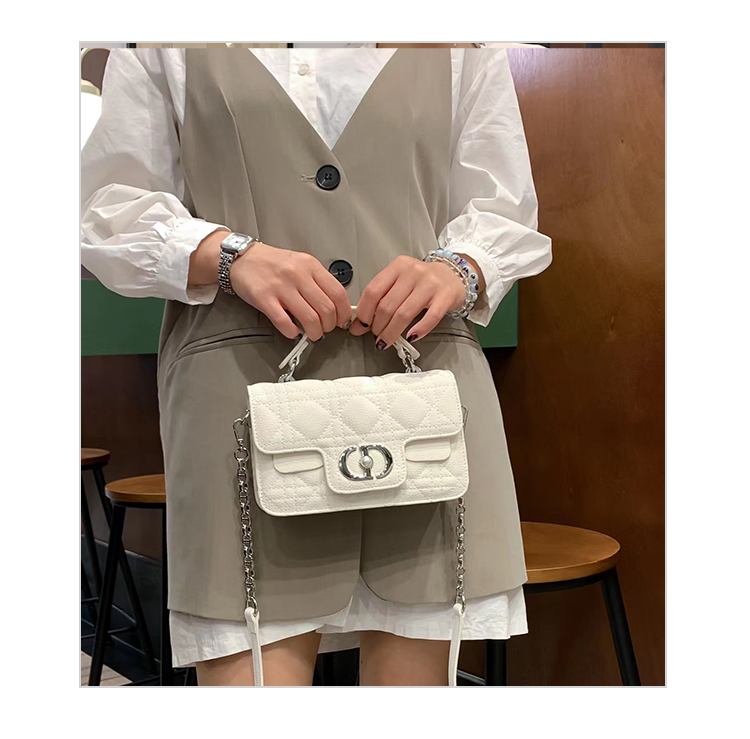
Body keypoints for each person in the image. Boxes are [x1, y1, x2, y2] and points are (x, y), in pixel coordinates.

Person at [81, 42, 553, 686]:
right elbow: (107, 205)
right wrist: (229, 254)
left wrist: (460, 268)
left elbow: (502, 206)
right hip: (240, 396)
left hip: (423, 392)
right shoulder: (166, 41)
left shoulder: (461, 45)